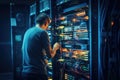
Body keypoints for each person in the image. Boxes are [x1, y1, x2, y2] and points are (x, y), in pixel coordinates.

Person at [22, 13, 60, 80]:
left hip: (25, 73)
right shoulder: (42, 32)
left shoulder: (27, 31)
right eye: (48, 25)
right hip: (37, 74)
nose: (47, 27)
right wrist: (55, 47)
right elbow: (50, 55)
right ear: (45, 23)